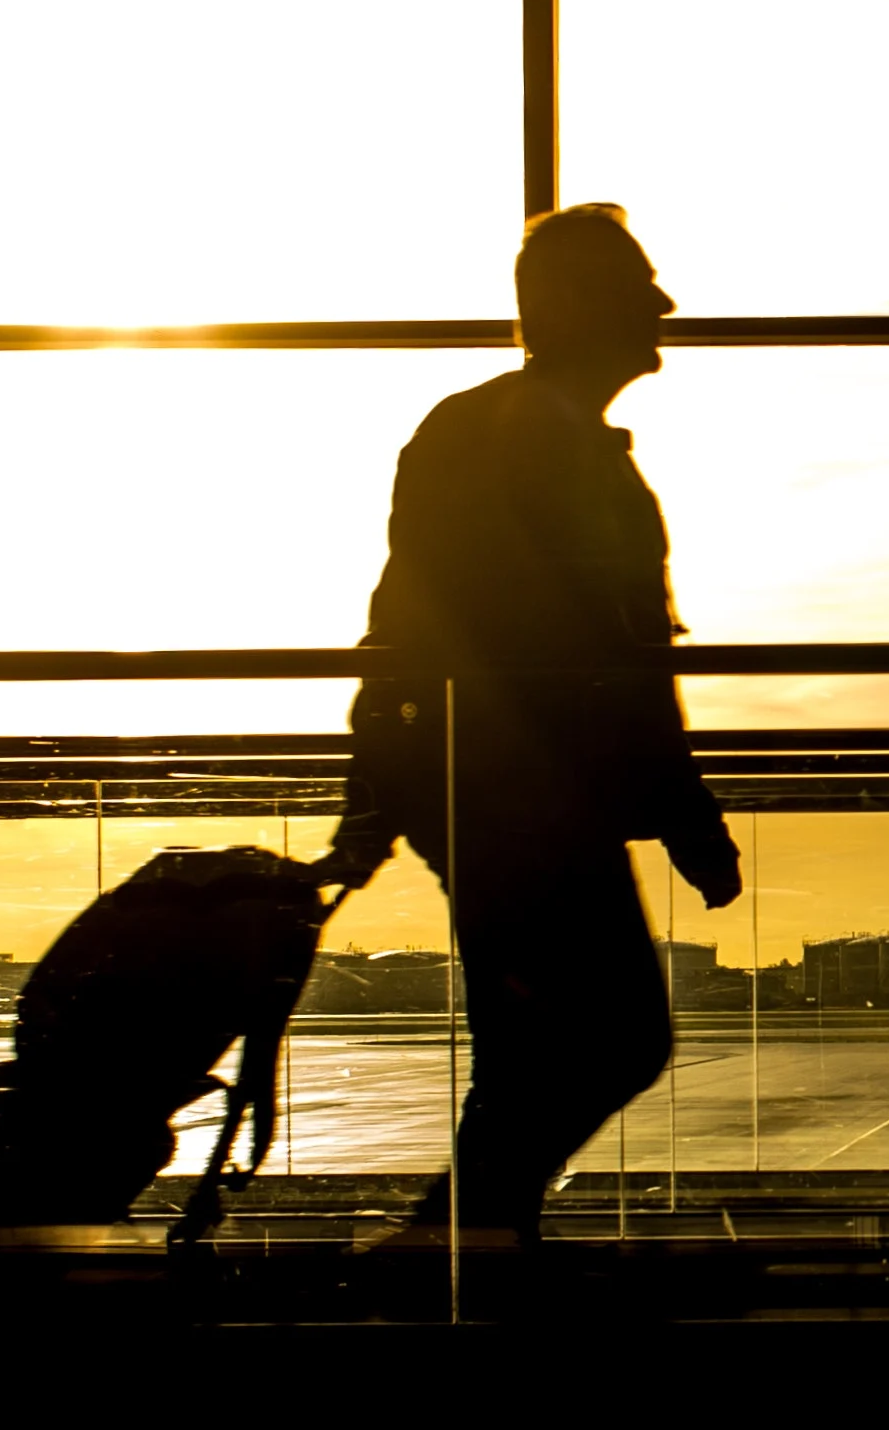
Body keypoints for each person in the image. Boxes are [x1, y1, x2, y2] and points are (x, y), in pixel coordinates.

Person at [316, 204, 745, 1245]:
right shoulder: (531, 444)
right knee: (614, 1036)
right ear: (569, 306)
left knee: (541, 1047)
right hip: (525, 800)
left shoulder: (515, 439)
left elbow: (409, 627)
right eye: (638, 281)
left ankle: (469, 1254)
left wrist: (376, 797)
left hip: (503, 795)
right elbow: (612, 666)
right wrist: (685, 816)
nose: (664, 302)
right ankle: (453, 1250)